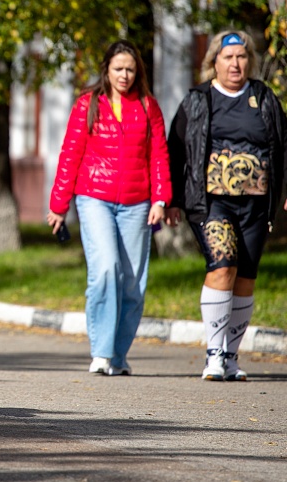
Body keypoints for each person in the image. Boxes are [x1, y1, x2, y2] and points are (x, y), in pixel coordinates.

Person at [165, 30, 287, 381]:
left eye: (242, 57)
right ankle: (214, 354)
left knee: (245, 275)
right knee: (223, 266)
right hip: (211, 203)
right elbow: (175, 150)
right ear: (214, 62)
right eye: (228, 57)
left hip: (256, 205)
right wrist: (172, 199)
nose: (236, 64)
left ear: (250, 61)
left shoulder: (264, 98)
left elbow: (284, 144)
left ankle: (231, 356)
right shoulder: (198, 100)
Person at [47, 40, 172, 376]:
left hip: (137, 202)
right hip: (94, 197)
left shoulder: (147, 106)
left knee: (133, 283)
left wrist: (161, 199)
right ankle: (101, 353)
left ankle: (118, 356)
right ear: (106, 70)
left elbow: (159, 154)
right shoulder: (88, 104)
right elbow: (70, 154)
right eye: (118, 69)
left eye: (130, 69)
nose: (124, 75)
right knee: (105, 269)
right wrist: (58, 205)